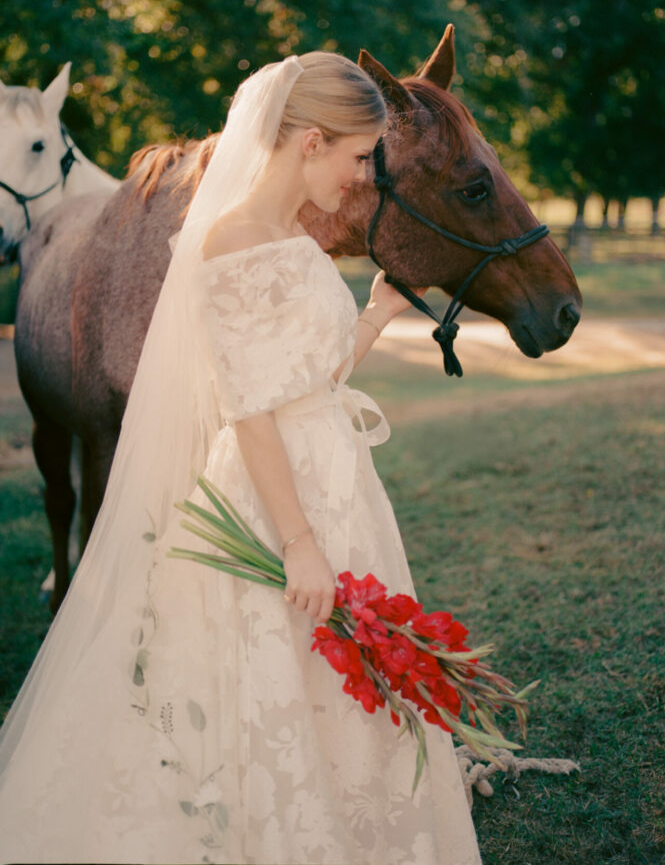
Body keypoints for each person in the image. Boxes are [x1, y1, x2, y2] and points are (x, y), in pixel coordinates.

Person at [0, 52, 482, 864]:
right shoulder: (228, 238)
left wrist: (373, 316)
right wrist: (296, 538)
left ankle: (339, 806)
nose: (364, 177)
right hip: (275, 495)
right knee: (269, 656)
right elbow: (252, 410)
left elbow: (310, 377)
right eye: (360, 156)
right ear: (311, 142)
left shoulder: (296, 233)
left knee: (328, 670)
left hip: (335, 480)